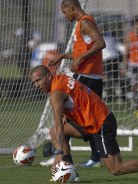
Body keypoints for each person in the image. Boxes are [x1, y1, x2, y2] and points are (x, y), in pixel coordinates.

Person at [30, 65, 138, 182]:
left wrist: (59, 154)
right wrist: (65, 115)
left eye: (38, 80)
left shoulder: (55, 93)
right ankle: (71, 174)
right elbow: (74, 99)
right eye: (34, 83)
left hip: (101, 124)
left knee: (116, 168)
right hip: (90, 123)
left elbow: (61, 125)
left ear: (49, 76)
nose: (36, 85)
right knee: (53, 131)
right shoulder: (61, 78)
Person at [40, 0, 106, 168]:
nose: (64, 15)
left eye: (65, 11)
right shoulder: (81, 23)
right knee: (76, 116)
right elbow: (81, 51)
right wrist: (64, 56)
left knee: (68, 116)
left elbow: (100, 44)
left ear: (72, 8)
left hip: (87, 77)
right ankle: (90, 156)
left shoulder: (85, 21)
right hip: (87, 76)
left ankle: (61, 156)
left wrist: (80, 59)